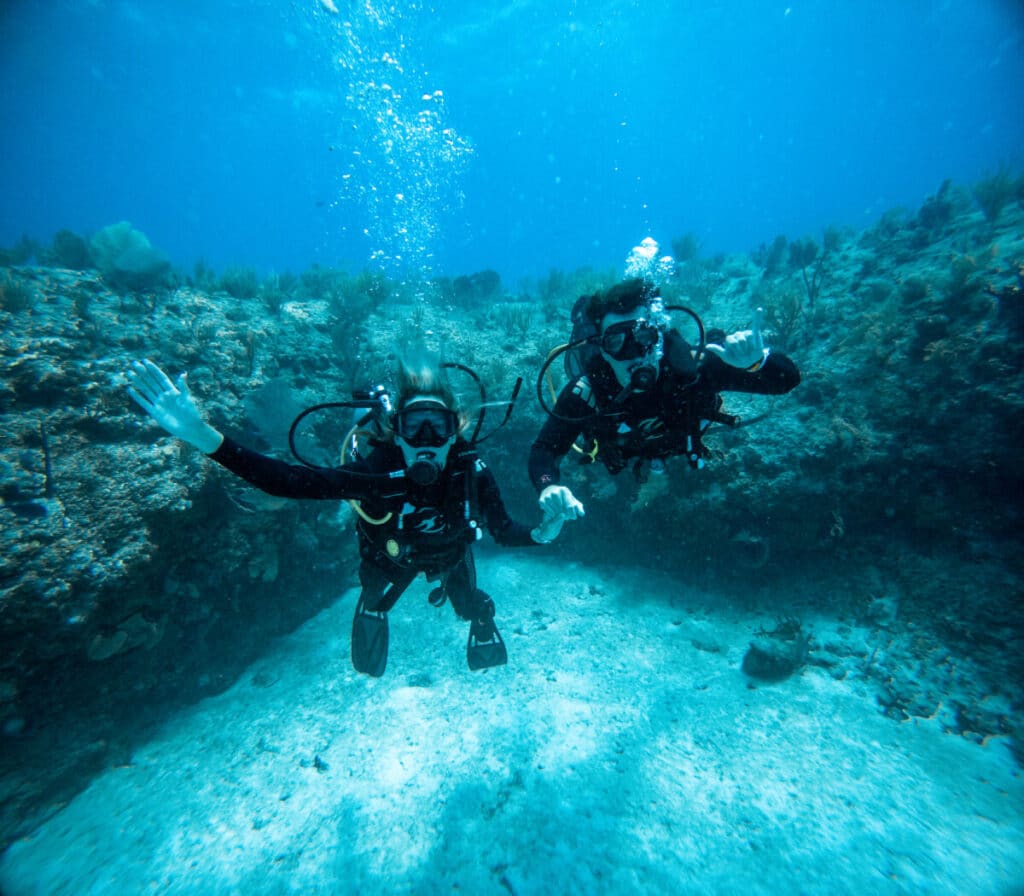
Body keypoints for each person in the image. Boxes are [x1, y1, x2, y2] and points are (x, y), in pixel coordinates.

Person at [126, 355, 576, 677]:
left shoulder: (469, 471)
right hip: (390, 558)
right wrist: (198, 433)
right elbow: (285, 481)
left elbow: (505, 530)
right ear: (394, 432)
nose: (425, 440)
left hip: (450, 555)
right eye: (413, 426)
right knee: (377, 597)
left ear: (454, 430)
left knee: (469, 607)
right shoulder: (376, 473)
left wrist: (542, 532)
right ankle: (373, 607)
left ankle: (477, 617)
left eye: (436, 427)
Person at [529, 277, 801, 519]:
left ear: (658, 338)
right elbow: (544, 450)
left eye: (643, 336)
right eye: (615, 342)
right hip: (621, 453)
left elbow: (787, 379)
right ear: (602, 349)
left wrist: (755, 362)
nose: (634, 353)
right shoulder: (587, 390)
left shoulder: (691, 369)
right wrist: (548, 485)